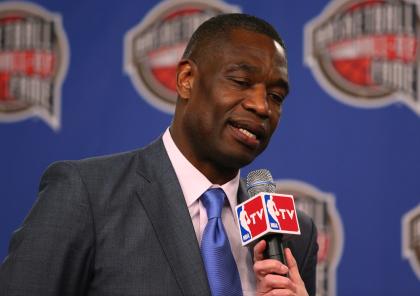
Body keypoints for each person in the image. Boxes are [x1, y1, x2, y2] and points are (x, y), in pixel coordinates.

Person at [0, 13, 318, 296]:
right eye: (240, 81)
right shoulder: (86, 195)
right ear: (186, 80)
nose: (262, 107)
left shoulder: (293, 236)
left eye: (276, 96)